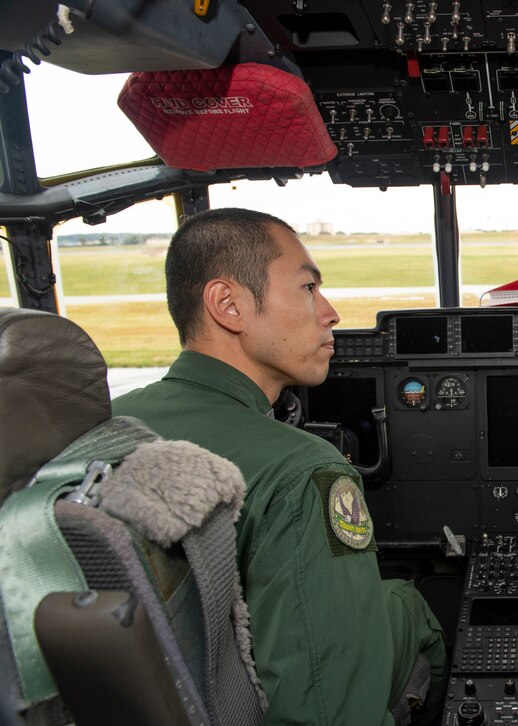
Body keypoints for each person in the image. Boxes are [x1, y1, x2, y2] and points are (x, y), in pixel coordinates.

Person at [113, 208, 447, 726]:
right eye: (309, 287)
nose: (331, 313)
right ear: (229, 305)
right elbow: (329, 715)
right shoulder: (302, 472)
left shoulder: (104, 422)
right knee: (408, 603)